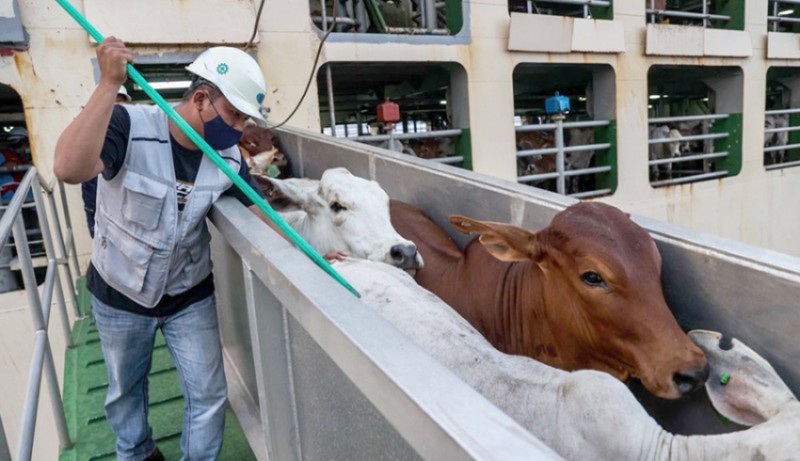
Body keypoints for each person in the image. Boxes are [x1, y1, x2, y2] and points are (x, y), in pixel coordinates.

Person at [53, 37, 289, 461]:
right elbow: (69, 169)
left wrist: (314, 256)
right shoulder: (128, 125)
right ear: (201, 99)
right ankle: (138, 452)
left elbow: (259, 212)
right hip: (119, 294)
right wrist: (108, 84)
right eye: (234, 115)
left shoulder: (228, 159)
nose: (238, 130)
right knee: (124, 393)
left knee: (209, 393)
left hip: (188, 294)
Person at [82, 85, 130, 238]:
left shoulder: (135, 132)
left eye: (120, 102)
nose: (115, 107)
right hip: (98, 204)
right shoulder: (89, 134)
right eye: (111, 102)